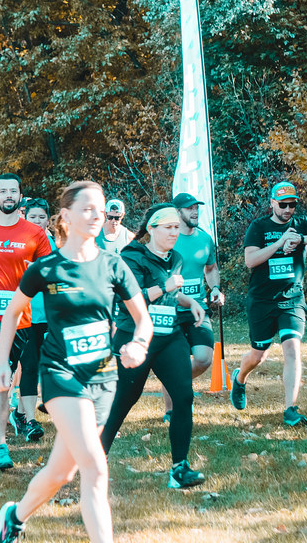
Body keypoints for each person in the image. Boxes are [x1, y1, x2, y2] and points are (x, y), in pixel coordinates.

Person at [0, 181, 152, 543]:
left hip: (103, 378)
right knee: (95, 467)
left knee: (62, 472)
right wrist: (2, 362)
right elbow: (13, 312)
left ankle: (13, 518)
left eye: (101, 208)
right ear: (66, 216)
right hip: (61, 375)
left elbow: (143, 319)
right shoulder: (46, 268)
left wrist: (139, 344)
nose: (96, 215)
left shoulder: (115, 265)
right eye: (88, 208)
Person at [100, 203, 207, 489]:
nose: (175, 232)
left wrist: (192, 302)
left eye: (177, 227)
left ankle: (179, 469)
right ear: (152, 229)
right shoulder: (131, 256)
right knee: (123, 400)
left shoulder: (177, 258)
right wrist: (168, 287)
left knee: (184, 396)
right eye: (169, 227)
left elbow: (174, 291)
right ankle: (95, 461)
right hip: (134, 337)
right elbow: (131, 298)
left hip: (169, 336)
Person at [0, 173, 53, 471]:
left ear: (20, 197)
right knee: (0, 374)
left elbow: (48, 272)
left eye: (13, 191)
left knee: (2, 379)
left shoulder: (35, 233)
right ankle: (0, 446)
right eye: (2, 190)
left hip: (21, 315)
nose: (7, 195)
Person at [233, 181, 307, 426]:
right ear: (272, 204)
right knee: (258, 355)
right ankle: (240, 377)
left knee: (292, 349)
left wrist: (301, 239)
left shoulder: (302, 224)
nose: (288, 209)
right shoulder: (259, 226)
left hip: (292, 299)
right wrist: (278, 244)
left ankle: (290, 409)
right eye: (283, 205)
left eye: (292, 205)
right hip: (262, 301)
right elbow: (250, 260)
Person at [163, 193, 223, 421]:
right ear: (178, 212)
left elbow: (210, 268)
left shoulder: (205, 239)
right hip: (171, 310)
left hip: (198, 310)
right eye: (189, 208)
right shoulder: (169, 239)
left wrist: (215, 288)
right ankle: (171, 411)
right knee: (174, 360)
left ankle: (175, 381)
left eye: (197, 207)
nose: (195, 212)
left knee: (203, 359)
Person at [8, 198, 57, 441]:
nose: (37, 221)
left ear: (48, 219)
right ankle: (30, 420)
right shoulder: (19, 241)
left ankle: (20, 412)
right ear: (25, 217)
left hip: (48, 315)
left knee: (41, 365)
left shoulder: (54, 244)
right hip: (25, 315)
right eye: (33, 217)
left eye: (41, 217)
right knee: (28, 366)